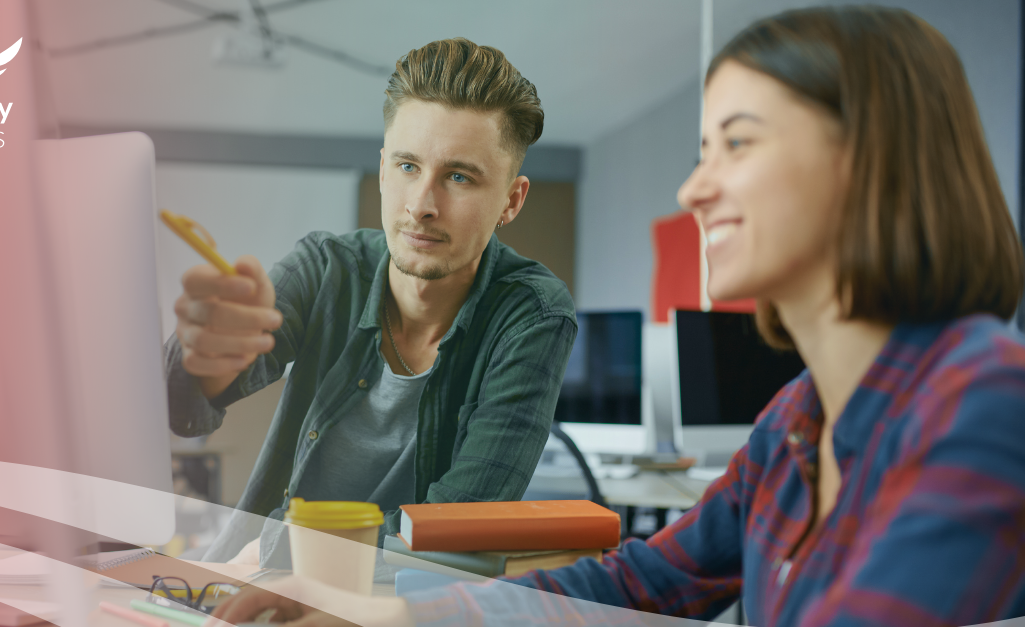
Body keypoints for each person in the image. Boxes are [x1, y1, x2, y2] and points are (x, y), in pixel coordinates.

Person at [211, 6, 1025, 626]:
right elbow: (637, 583)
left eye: (736, 145)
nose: (694, 189)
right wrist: (390, 614)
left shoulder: (988, 403)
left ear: (871, 167)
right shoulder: (795, 429)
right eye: (703, 152)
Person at [166, 37, 578, 566]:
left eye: (458, 177)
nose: (422, 205)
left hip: (394, 604)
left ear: (511, 201)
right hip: (247, 582)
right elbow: (181, 405)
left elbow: (464, 523)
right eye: (408, 167)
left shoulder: (533, 315)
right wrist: (201, 362)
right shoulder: (324, 268)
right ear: (383, 169)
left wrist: (280, 549)